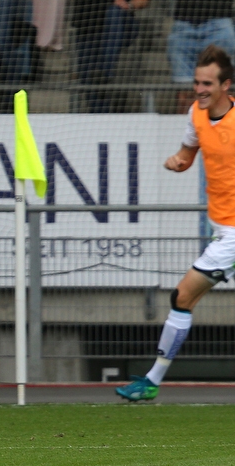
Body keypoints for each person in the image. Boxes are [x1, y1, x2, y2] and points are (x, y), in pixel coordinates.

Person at [116, 45, 235, 402]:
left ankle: (152, 380)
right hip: (221, 227)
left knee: (182, 296)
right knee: (183, 298)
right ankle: (152, 380)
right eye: (197, 82)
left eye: (207, 83)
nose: (199, 89)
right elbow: (188, 154)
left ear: (226, 85)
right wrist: (178, 162)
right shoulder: (195, 115)